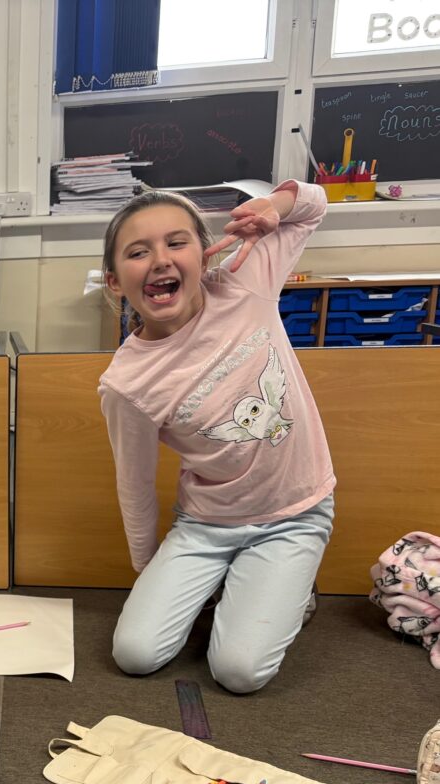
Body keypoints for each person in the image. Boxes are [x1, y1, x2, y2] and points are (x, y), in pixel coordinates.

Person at [98, 181, 335, 693]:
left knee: (239, 673)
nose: (161, 260)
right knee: (135, 654)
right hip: (205, 526)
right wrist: (149, 572)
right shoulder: (126, 384)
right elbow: (134, 485)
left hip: (294, 515)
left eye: (176, 243)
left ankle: (285, 586)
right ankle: (233, 584)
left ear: (204, 255)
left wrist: (275, 206)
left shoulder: (244, 283)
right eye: (138, 252)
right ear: (115, 282)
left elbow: (315, 206)